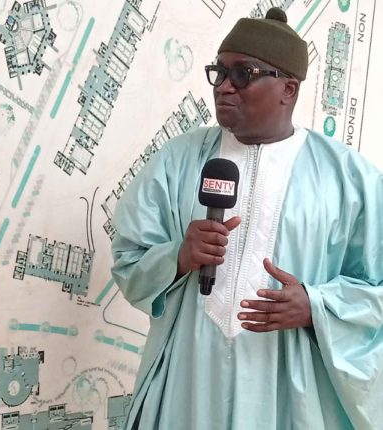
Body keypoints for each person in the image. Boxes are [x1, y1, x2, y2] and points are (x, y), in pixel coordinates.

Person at [111, 7, 382, 430]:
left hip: (290, 393)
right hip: (190, 382)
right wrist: (179, 257)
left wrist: (317, 306)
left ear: (288, 89)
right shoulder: (178, 161)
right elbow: (129, 259)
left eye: (242, 74)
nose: (223, 86)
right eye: (219, 72)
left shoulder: (350, 180)